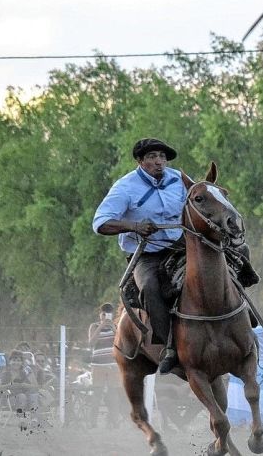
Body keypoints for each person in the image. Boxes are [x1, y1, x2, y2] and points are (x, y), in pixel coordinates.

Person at [92, 138, 186, 373]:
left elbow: (197, 203)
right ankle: (169, 348)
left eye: (163, 157)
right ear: (140, 161)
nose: (159, 162)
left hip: (180, 245)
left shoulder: (179, 180)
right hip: (146, 253)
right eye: (153, 157)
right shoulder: (125, 187)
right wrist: (134, 226)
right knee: (151, 286)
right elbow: (100, 223)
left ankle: (241, 318)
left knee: (221, 261)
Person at [87, 302, 123, 428]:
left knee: (114, 395)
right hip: (97, 365)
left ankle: (115, 422)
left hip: (113, 365)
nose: (106, 316)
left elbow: (121, 341)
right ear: (100, 314)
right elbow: (91, 343)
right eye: (104, 313)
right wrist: (101, 326)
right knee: (97, 393)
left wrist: (113, 327)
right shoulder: (94, 326)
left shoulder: (115, 326)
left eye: (108, 313)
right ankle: (93, 422)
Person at [0, 350, 40, 427]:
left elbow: (36, 386)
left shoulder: (25, 372)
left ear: (22, 362)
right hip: (8, 399)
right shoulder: (6, 373)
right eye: (14, 360)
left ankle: (34, 420)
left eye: (18, 361)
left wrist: (23, 385)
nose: (16, 363)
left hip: (26, 399)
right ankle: (22, 420)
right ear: (9, 362)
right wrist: (9, 385)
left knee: (33, 394)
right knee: (21, 396)